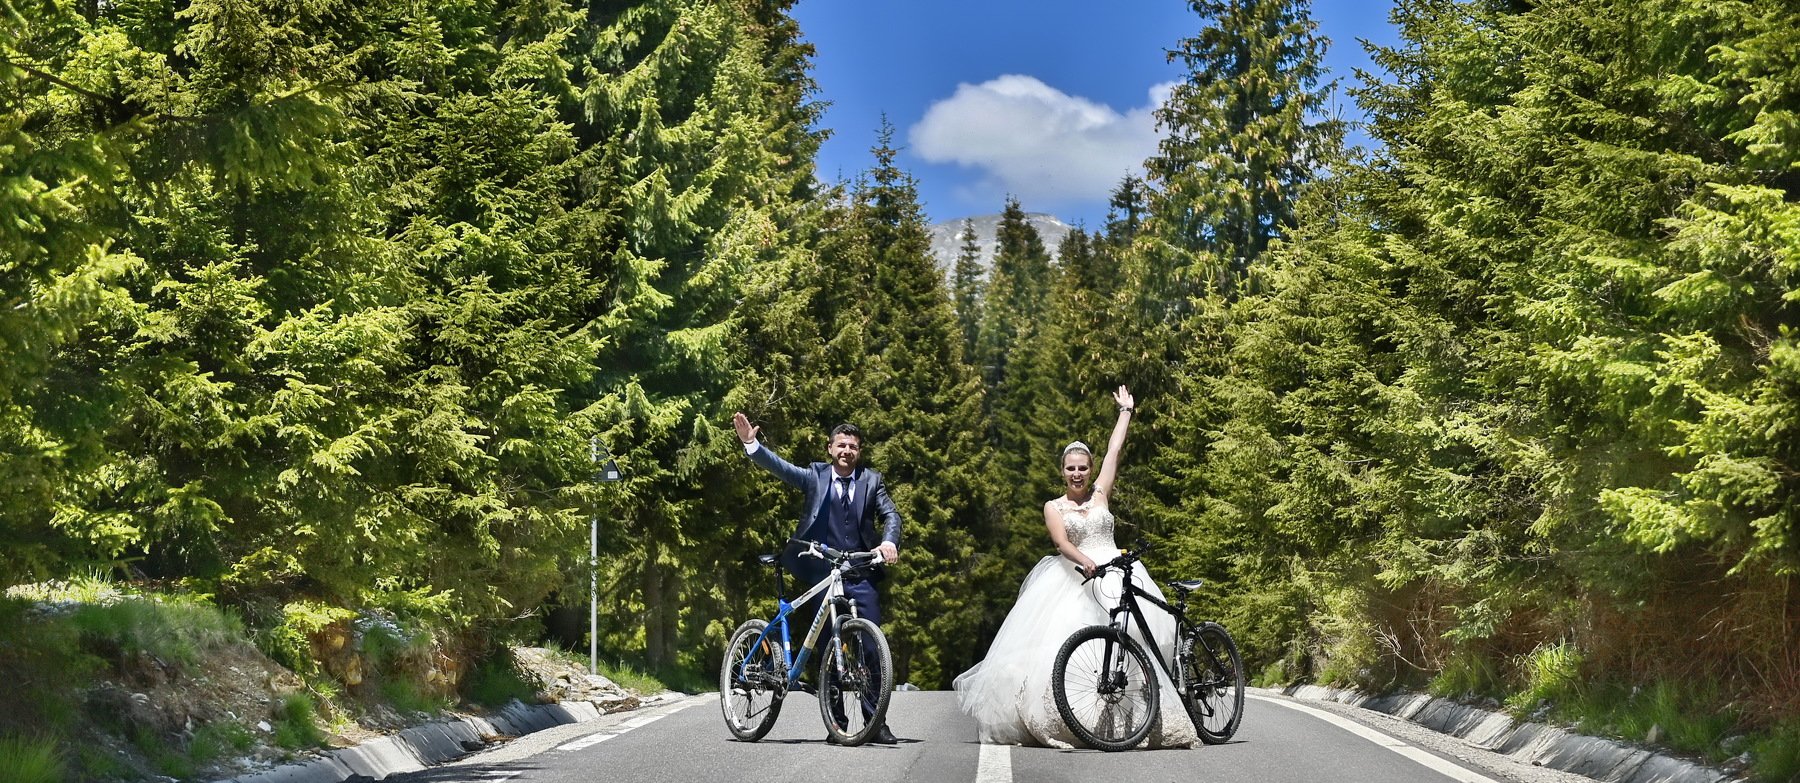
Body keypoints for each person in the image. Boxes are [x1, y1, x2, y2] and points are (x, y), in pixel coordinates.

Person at [952, 385, 1199, 749]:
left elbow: (1114, 450)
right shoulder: (1055, 507)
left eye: (1083, 468)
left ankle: (1139, 715)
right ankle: (1078, 719)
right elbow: (1061, 543)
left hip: (1115, 571)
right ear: (1063, 472)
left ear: (1090, 469)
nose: (1078, 474)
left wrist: (1125, 412)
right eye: (1071, 469)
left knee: (1136, 638)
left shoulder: (1101, 494)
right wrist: (1084, 560)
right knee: (1067, 646)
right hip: (1077, 577)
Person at [733, 412, 903, 745]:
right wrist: (751, 445)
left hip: (860, 570)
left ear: (859, 451)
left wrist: (889, 541)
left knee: (870, 648)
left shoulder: (872, 481)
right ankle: (836, 723)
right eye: (842, 444)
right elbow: (783, 469)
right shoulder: (816, 476)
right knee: (827, 646)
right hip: (823, 572)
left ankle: (875, 722)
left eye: (853, 446)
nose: (847, 451)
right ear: (830, 449)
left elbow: (891, 514)